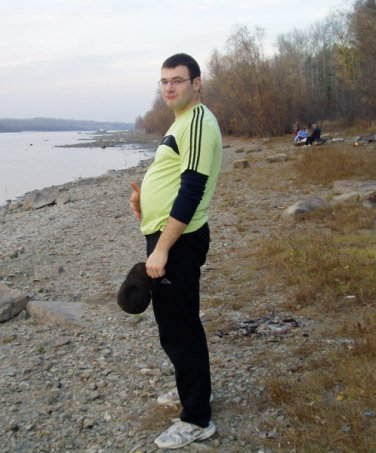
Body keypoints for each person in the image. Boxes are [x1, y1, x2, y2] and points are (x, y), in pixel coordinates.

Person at [129, 53, 222, 449]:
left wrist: (162, 249)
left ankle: (197, 418)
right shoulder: (181, 121)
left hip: (179, 242)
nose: (169, 87)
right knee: (178, 322)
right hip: (168, 237)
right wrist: (144, 202)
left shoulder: (197, 121)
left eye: (177, 80)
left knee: (179, 328)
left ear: (196, 83)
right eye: (164, 81)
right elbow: (173, 178)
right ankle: (193, 391)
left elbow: (192, 189)